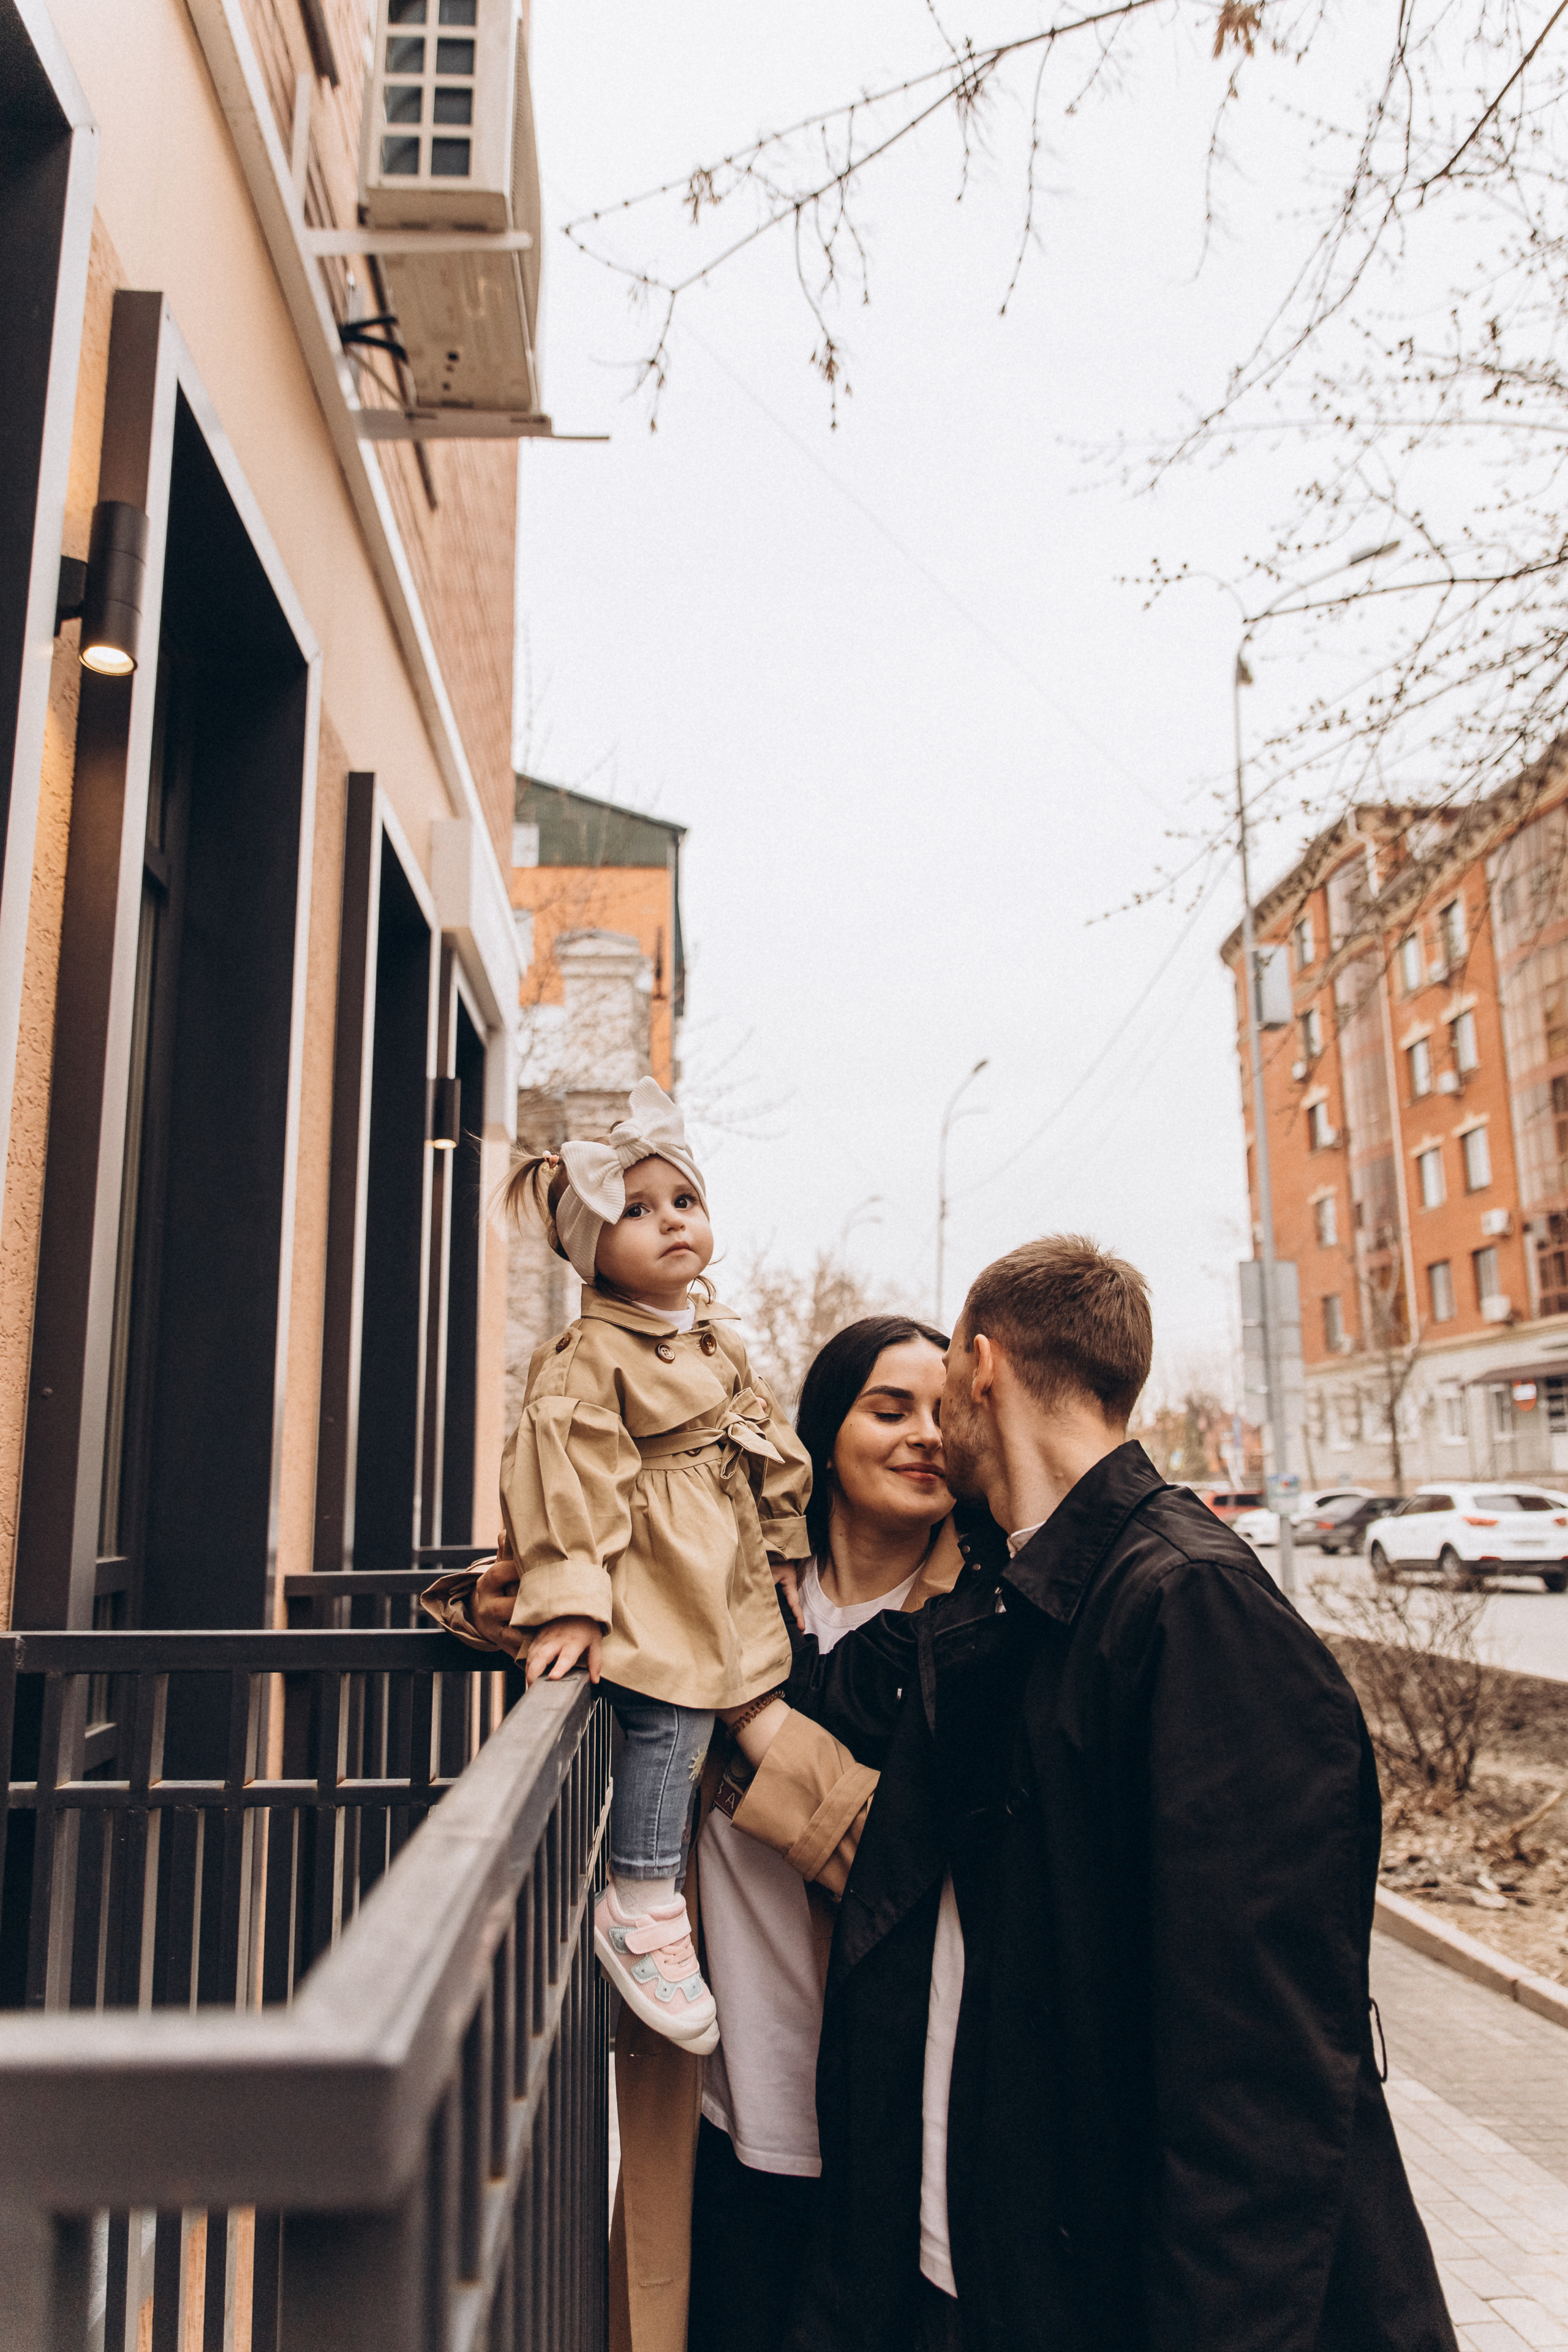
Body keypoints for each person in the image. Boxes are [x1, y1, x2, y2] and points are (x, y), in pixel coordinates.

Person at [761, 1235, 1457, 2352]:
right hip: (984, 2259)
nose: (937, 1428)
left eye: (944, 1392)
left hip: (1123, 2297)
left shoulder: (1193, 1611)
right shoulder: (1023, 1590)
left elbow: (1260, 2084)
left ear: (981, 1369)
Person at [437, 1314, 1005, 2352]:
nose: (926, 1435)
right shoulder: (736, 1585)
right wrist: (503, 1598)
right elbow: (601, 1572)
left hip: (889, 2122)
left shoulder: (981, 1617)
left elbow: (903, 1856)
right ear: (824, 1431)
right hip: (720, 2100)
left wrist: (746, 1715)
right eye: (890, 1409)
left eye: (946, 1412)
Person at [424, 1077, 812, 2055]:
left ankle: (656, 1892)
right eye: (635, 1212)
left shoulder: (713, 1336)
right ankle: (641, 1899)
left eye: (683, 1201)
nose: (671, 1223)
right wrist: (572, 1605)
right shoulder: (590, 1356)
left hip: (707, 1568)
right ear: (588, 1250)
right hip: (649, 1574)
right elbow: (569, 1490)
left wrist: (783, 1544)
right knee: (672, 1714)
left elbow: (760, 1438)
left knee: (723, 1691)